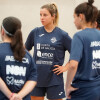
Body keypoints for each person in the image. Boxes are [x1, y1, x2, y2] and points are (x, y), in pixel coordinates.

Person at [25, 3, 71, 100]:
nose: (42, 18)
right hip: (36, 77)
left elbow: (76, 54)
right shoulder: (35, 32)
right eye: (40, 15)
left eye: (45, 15)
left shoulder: (62, 35)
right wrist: (28, 66)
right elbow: (25, 50)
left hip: (54, 79)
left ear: (53, 16)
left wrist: (66, 67)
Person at [65, 0, 100, 100]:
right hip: (97, 89)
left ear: (81, 17)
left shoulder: (79, 36)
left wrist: (67, 86)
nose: (73, 21)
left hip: (82, 90)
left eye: (74, 17)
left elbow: (73, 65)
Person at [0, 16, 37, 100]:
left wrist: (10, 95)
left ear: (2, 31)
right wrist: (19, 96)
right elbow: (32, 79)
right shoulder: (27, 55)